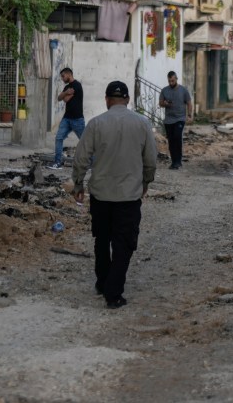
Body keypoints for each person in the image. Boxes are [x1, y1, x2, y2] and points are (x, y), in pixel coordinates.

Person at [72, 81, 158, 309]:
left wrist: (78, 183)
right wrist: (146, 182)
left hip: (101, 194)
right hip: (129, 197)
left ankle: (102, 282)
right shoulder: (142, 123)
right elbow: (150, 159)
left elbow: (81, 157)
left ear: (107, 100)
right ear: (128, 99)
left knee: (101, 240)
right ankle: (114, 293)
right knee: (124, 244)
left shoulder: (96, 123)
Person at [47, 67, 84, 170]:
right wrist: (66, 92)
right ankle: (57, 162)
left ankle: (93, 163)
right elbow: (59, 98)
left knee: (85, 141)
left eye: (63, 76)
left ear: (69, 74)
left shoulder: (77, 85)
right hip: (67, 118)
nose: (62, 78)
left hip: (77, 119)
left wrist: (65, 94)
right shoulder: (68, 87)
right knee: (59, 138)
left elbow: (66, 99)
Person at [159, 71, 193, 170]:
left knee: (177, 136)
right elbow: (160, 103)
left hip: (180, 118)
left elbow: (189, 103)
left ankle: (178, 160)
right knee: (171, 140)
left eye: (173, 81)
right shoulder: (165, 90)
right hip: (168, 120)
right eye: (169, 81)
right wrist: (165, 103)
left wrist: (189, 114)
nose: (171, 83)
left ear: (176, 79)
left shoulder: (183, 90)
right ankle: (174, 161)